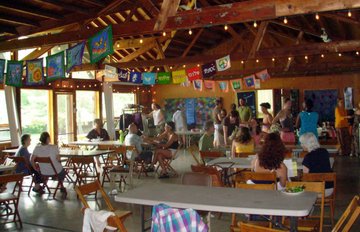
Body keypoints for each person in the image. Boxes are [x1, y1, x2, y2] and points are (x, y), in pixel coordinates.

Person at [300, 133, 334, 197]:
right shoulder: (325, 151)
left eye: (302, 143)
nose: (301, 145)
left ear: (307, 144)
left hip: (316, 190)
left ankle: (307, 206)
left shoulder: (308, 157)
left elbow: (305, 177)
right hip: (329, 188)